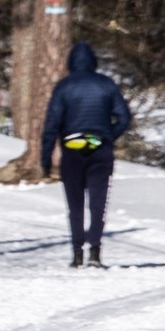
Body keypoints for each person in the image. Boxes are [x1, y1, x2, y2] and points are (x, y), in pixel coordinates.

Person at [40, 41, 132, 269]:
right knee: (98, 203)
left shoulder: (63, 87)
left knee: (75, 204)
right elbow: (124, 117)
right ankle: (95, 253)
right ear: (94, 61)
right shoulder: (106, 85)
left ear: (71, 62)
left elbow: (51, 125)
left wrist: (45, 158)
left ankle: (76, 253)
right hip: (101, 150)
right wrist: (108, 136)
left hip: (71, 151)